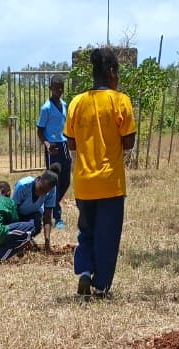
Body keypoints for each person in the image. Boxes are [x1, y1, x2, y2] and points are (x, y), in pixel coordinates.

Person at [64, 47, 136, 298]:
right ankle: (100, 286)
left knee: (86, 231)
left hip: (83, 182)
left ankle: (85, 271)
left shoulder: (76, 102)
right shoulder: (120, 101)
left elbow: (71, 143)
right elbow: (129, 142)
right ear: (112, 72)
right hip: (110, 183)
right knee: (108, 237)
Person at [37, 74, 71, 227]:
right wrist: (47, 144)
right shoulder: (46, 108)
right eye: (56, 88)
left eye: (61, 88)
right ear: (50, 88)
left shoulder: (64, 104)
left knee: (66, 180)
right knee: (54, 181)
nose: (59, 91)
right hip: (52, 148)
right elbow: (39, 131)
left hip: (63, 145)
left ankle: (51, 203)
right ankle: (57, 217)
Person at [12, 168, 59, 250]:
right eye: (41, 188)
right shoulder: (23, 185)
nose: (41, 193)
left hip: (33, 214)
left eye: (45, 192)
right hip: (17, 215)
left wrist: (47, 242)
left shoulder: (51, 190)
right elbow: (13, 211)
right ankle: (19, 241)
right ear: (38, 179)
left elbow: (47, 216)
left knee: (36, 227)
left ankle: (25, 239)